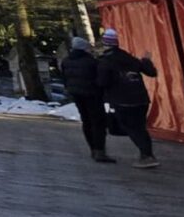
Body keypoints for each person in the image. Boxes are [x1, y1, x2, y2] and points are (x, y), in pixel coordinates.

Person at [96, 27, 159, 169]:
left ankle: (147, 156)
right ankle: (147, 153)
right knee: (140, 127)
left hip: (122, 99)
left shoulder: (105, 62)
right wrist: (146, 61)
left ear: (105, 44)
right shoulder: (130, 58)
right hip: (141, 98)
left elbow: (102, 82)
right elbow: (151, 72)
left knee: (131, 128)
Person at [59, 36, 113, 163]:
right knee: (98, 122)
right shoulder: (92, 62)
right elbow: (100, 79)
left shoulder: (66, 61)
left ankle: (93, 149)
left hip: (77, 94)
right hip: (93, 95)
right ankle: (100, 150)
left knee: (86, 121)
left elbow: (65, 78)